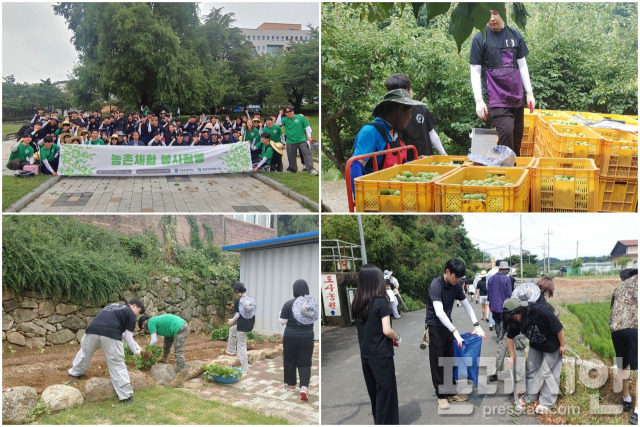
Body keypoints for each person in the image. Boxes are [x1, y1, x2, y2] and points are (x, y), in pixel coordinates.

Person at [469, 8, 535, 156]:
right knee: (506, 134)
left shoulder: (515, 35)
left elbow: (523, 65)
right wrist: (478, 100)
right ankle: (503, 173)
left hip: (516, 96)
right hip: (496, 97)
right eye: (488, 14)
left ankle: (512, 173)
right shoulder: (480, 38)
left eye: (495, 13)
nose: (491, 18)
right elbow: (475, 70)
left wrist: (529, 92)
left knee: (517, 139)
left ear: (504, 11)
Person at [425, 258, 486, 410]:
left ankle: (451, 392)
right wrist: (455, 331)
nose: (458, 280)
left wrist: (476, 325)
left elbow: (466, 305)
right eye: (456, 277)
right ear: (447, 272)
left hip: (447, 326)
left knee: (450, 360)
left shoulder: (456, 285)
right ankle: (441, 396)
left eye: (460, 278)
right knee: (438, 361)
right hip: (435, 327)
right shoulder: (436, 285)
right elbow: (439, 312)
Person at [68, 299, 145, 404]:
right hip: (110, 335)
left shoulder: (112, 306)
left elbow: (121, 332)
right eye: (139, 312)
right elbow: (128, 337)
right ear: (134, 306)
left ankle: (75, 373)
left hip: (92, 331)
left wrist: (137, 346)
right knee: (117, 364)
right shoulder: (130, 313)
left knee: (84, 353)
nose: (137, 315)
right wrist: (137, 352)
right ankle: (126, 396)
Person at [352, 264, 400, 424]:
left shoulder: (357, 303)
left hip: (365, 355)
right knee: (386, 393)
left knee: (375, 394)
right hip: (381, 356)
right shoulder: (381, 302)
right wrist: (397, 337)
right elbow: (387, 330)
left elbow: (359, 331)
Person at [350, 89, 423, 193]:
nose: (410, 117)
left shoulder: (396, 133)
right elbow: (355, 165)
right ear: (399, 109)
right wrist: (360, 196)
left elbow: (395, 166)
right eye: (410, 111)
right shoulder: (370, 132)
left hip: (395, 192)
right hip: (377, 196)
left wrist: (416, 162)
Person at [503, 297, 564, 414]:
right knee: (531, 369)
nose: (514, 320)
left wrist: (562, 345)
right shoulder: (515, 320)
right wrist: (512, 356)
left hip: (552, 345)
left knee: (549, 372)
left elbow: (559, 328)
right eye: (511, 317)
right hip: (535, 345)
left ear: (521, 310)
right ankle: (529, 396)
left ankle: (546, 402)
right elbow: (509, 337)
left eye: (515, 316)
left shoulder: (541, 311)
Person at [384, 73, 447, 160]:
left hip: (426, 158)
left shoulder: (421, 108)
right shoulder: (389, 115)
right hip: (405, 162)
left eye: (409, 89)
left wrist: (444, 155)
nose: (410, 92)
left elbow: (432, 133)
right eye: (407, 90)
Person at [279, 279, 318, 401]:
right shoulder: (312, 304)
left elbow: (282, 322)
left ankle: (290, 385)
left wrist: (280, 314)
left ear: (294, 290)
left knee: (290, 359)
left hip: (290, 336)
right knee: (305, 362)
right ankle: (304, 388)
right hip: (307, 336)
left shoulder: (289, 304)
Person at [609, 273, 638, 423]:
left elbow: (612, 308)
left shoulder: (619, 287)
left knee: (622, 365)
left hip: (616, 330)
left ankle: (626, 399)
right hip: (634, 328)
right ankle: (637, 412)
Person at [138, 313, 190, 387]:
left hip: (180, 328)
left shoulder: (150, 322)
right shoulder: (155, 320)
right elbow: (156, 337)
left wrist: (148, 350)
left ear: (144, 322)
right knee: (167, 341)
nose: (144, 328)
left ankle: (179, 379)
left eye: (143, 327)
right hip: (175, 327)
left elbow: (154, 340)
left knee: (179, 352)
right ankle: (164, 359)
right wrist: (152, 349)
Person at [277, 106, 318, 176]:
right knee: (291, 156)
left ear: (293, 111)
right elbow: (278, 124)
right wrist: (280, 114)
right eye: (287, 112)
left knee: (307, 154)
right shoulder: (284, 119)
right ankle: (293, 169)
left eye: (290, 111)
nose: (289, 113)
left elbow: (307, 127)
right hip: (290, 140)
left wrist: (309, 136)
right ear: (285, 113)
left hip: (301, 139)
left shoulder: (300, 117)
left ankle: (311, 169)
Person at [226, 282, 256, 372]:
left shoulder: (238, 301)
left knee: (241, 345)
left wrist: (231, 321)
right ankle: (231, 351)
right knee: (232, 330)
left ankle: (245, 368)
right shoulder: (251, 300)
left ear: (237, 291)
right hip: (250, 324)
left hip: (242, 326)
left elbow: (237, 315)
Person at [487, 261, 512, 338]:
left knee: (497, 321)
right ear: (504, 269)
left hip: (494, 304)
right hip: (503, 304)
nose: (506, 271)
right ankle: (503, 336)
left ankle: (499, 334)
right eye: (506, 269)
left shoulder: (491, 278)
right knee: (504, 321)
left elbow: (488, 291)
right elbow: (509, 294)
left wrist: (490, 301)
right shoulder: (507, 279)